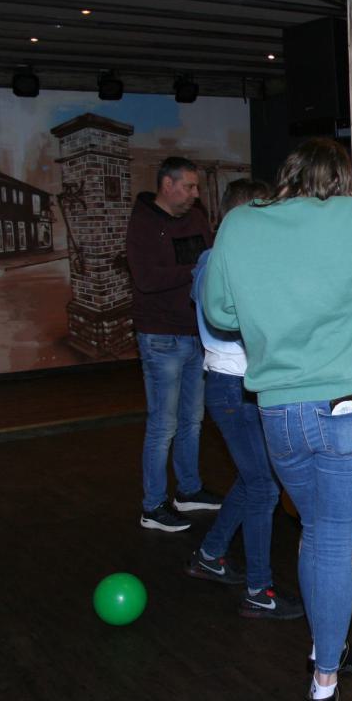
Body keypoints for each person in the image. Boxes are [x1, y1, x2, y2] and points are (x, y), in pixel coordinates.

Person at [202, 138, 352, 701]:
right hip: (346, 412)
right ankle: (325, 676)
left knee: (315, 533)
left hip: (279, 414)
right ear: (340, 181)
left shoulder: (240, 224)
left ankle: (325, 644)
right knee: (332, 541)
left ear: (286, 175)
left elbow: (220, 314)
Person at [185, 178, 303, 620]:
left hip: (245, 387)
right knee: (263, 486)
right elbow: (227, 323)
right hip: (231, 388)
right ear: (242, 217)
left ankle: (210, 554)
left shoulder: (231, 260)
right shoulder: (215, 265)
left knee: (256, 477)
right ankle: (258, 590)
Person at [128, 156, 222, 533]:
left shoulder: (196, 218)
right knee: (163, 424)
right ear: (167, 185)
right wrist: (196, 269)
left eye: (196, 186)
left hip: (195, 332)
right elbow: (146, 279)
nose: (195, 193)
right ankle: (153, 505)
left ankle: (188, 490)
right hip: (160, 336)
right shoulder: (143, 223)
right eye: (189, 186)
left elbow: (211, 259)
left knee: (192, 421)